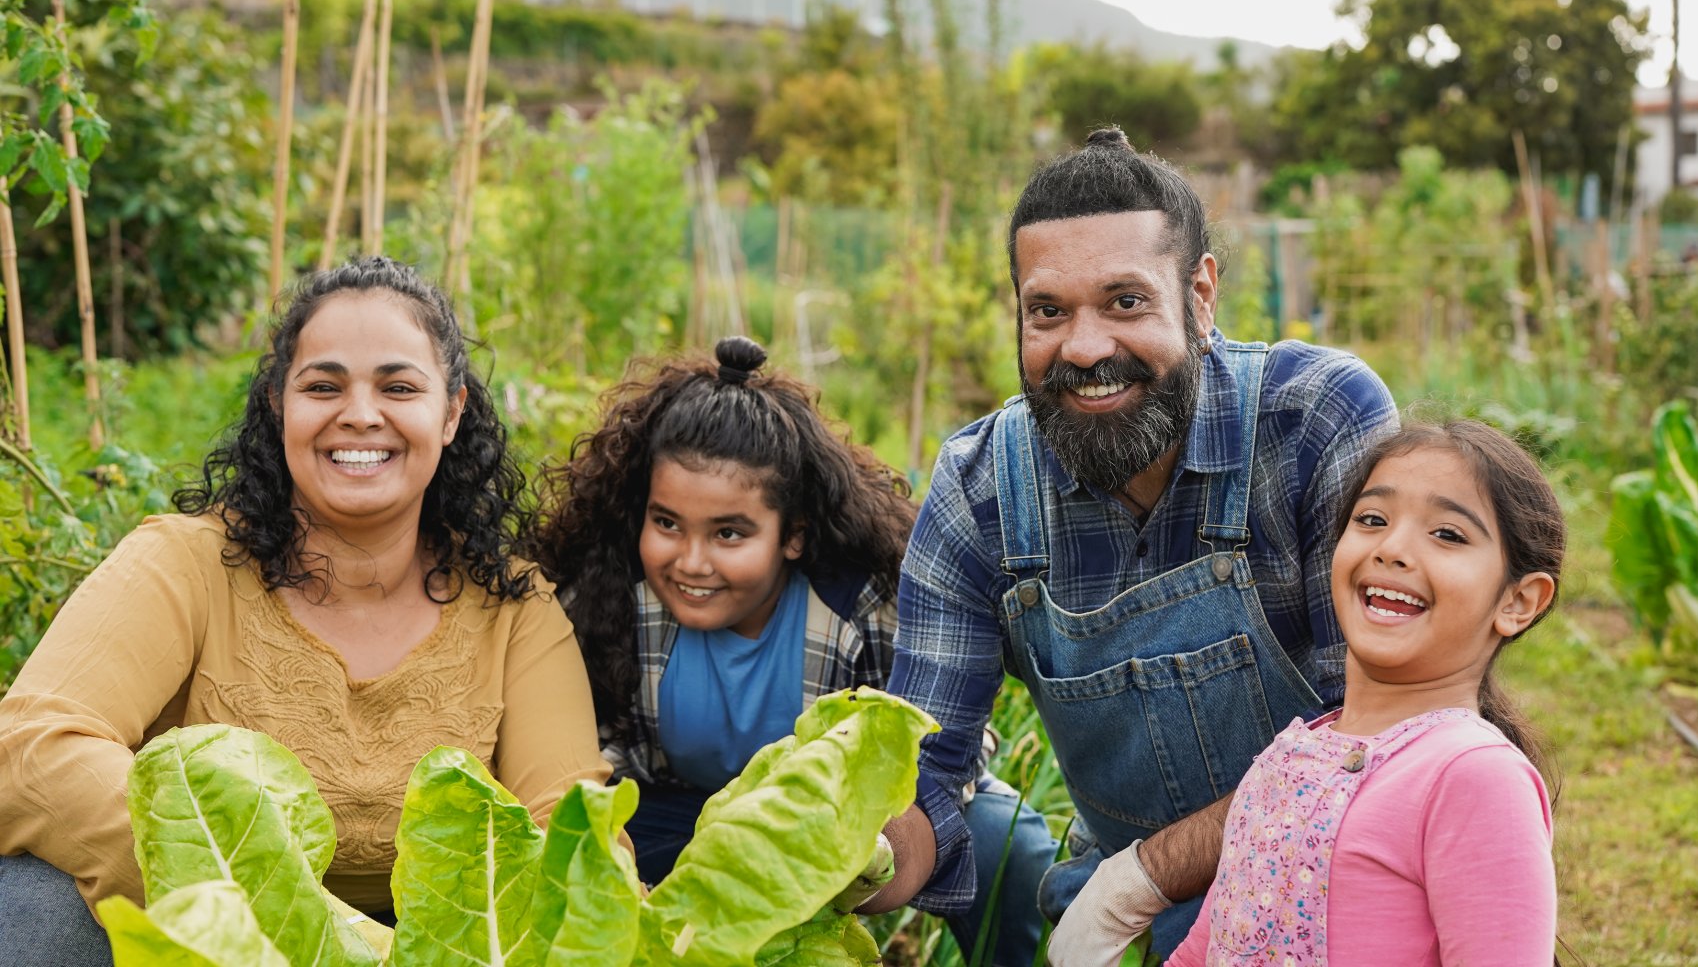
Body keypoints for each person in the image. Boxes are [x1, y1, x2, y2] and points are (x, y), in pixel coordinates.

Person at [860, 128, 1400, 961]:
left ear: (1201, 294)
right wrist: (860, 857)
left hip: (1339, 894)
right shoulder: (980, 493)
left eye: (1124, 302)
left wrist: (1146, 873)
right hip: (1122, 924)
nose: (1083, 349)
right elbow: (928, 767)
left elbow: (1375, 742)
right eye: (1048, 311)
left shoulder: (1315, 421)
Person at [0, 257, 610, 966]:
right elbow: (33, 746)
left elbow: (565, 830)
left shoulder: (514, 606)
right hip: (202, 942)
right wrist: (281, 914)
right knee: (35, 907)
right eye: (322, 386)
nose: (358, 413)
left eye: (398, 387)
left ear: (451, 413)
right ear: (277, 406)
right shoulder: (186, 564)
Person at [528, 335, 1058, 966]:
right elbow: (571, 766)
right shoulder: (610, 601)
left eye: (729, 532)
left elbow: (945, 748)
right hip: (670, 813)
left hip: (836, 823)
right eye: (666, 523)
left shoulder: (863, 610)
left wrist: (871, 842)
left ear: (793, 537)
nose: (690, 562)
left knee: (1011, 847)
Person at [1162, 419, 1561, 964]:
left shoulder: (1474, 776)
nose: (1392, 548)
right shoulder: (1288, 756)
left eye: (1447, 534)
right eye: (1372, 519)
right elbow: (1204, 949)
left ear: (1518, 602)